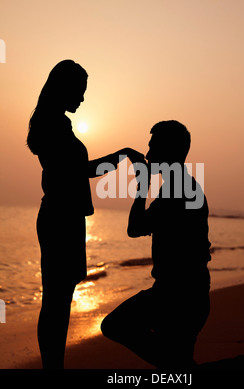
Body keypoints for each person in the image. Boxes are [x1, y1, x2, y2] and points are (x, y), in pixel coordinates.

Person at [27, 59, 143, 369]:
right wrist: (124, 156)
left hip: (65, 216)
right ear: (63, 89)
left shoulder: (54, 122)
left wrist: (123, 156)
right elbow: (83, 170)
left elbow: (82, 171)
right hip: (60, 218)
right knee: (56, 300)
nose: (82, 98)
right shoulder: (52, 123)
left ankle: (55, 366)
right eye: (79, 91)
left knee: (59, 298)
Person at [101, 120, 211, 368]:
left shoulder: (177, 190)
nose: (148, 155)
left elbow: (135, 228)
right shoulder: (181, 186)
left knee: (114, 325)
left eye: (153, 148)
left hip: (176, 296)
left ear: (169, 151)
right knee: (176, 366)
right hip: (189, 294)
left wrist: (142, 187)